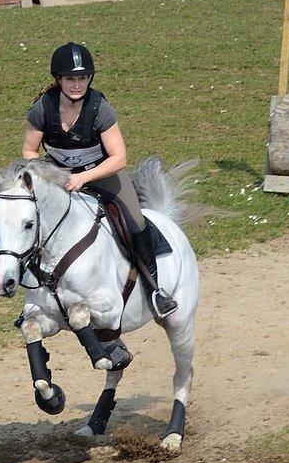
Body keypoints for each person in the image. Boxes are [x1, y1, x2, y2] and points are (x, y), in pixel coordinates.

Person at [22, 42, 178, 318]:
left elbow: (119, 158)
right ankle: (31, 296)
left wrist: (83, 177)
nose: (77, 84)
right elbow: (29, 151)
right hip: (60, 179)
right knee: (30, 221)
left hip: (104, 174)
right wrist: (49, 175)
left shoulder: (100, 108)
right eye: (71, 78)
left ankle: (155, 291)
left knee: (136, 223)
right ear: (58, 79)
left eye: (82, 78)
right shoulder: (42, 110)